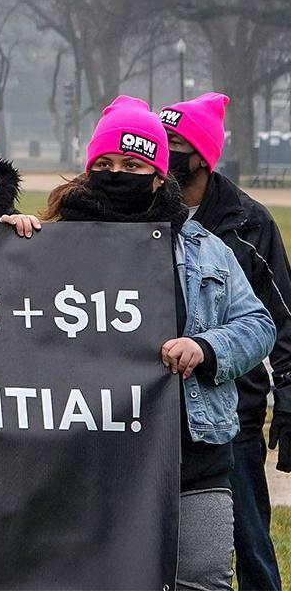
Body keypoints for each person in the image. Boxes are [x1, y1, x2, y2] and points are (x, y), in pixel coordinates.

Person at [42, 95, 273, 590]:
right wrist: (8, 246)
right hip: (89, 454)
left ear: (157, 174)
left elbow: (258, 325)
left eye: (131, 163)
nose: (116, 172)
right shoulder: (51, 245)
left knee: (202, 578)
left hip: (195, 453)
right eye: (104, 163)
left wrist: (208, 348)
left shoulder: (206, 249)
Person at [161, 92, 291, 591]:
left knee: (252, 542)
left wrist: (288, 404)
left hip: (231, 416)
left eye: (174, 141)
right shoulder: (143, 215)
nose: (165, 150)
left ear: (201, 154)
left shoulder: (248, 223)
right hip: (157, 416)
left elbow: (277, 320)